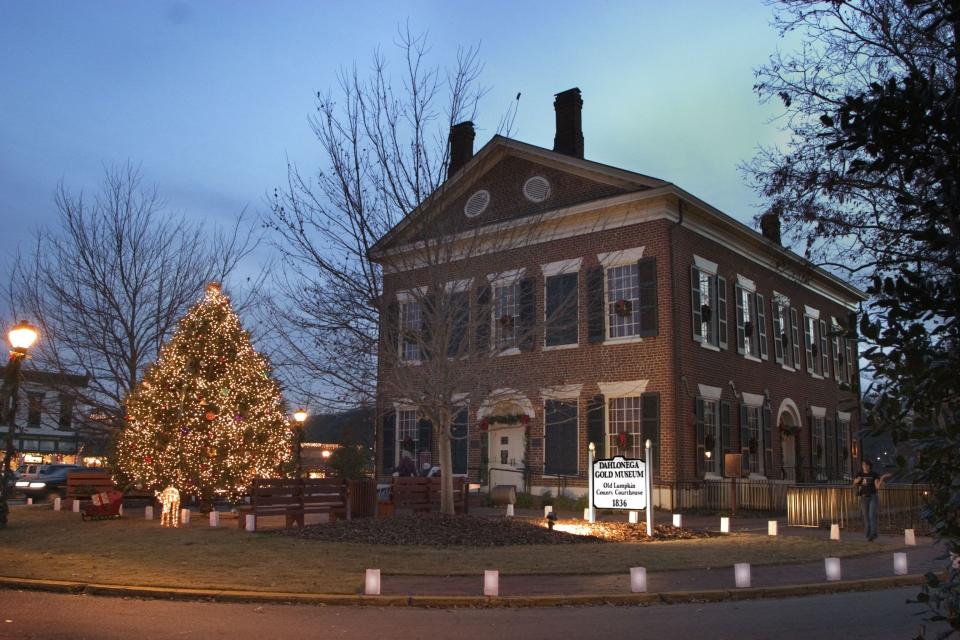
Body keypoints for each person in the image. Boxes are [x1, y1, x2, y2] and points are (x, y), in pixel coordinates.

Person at [853, 459, 892, 541]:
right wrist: (858, 480)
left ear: (869, 466)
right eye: (863, 465)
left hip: (872, 497)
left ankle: (873, 534)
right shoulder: (860, 474)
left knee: (872, 516)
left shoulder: (874, 474)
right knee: (866, 517)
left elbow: (877, 487)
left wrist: (882, 478)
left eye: (866, 465)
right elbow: (854, 482)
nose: (864, 467)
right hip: (863, 497)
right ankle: (868, 535)